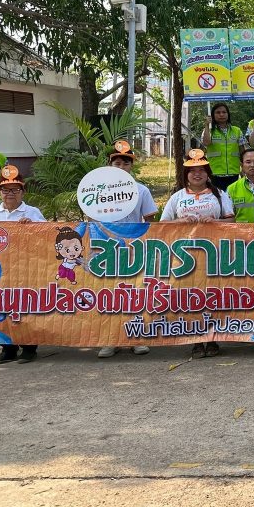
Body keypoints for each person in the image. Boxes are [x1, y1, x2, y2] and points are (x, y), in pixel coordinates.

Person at [161, 150, 235, 359]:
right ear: (186, 175)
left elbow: (231, 221)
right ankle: (195, 340)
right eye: (192, 171)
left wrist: (215, 222)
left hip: (214, 255)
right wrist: (180, 222)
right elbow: (162, 224)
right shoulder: (177, 197)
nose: (197, 174)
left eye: (201, 170)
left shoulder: (219, 195)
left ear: (207, 173)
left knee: (212, 296)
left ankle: (212, 339)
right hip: (184, 257)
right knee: (189, 297)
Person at [97, 140, 157, 359]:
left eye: (126, 163)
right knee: (108, 294)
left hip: (133, 249)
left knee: (134, 292)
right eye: (117, 163)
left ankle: (136, 338)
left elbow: (150, 220)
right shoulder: (96, 190)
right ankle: (110, 340)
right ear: (110, 165)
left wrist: (140, 243)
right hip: (105, 249)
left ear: (132, 166)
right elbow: (91, 220)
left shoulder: (141, 191)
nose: (121, 167)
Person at [0, 166, 44, 364]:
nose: (10, 193)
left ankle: (29, 348)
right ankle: (7, 349)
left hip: (26, 269)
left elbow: (47, 237)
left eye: (15, 189)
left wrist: (33, 228)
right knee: (0, 307)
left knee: (25, 306)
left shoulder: (32, 212)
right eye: (5, 189)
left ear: (23, 191)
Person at [201, 102, 246, 190]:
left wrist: (244, 167)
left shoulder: (237, 131)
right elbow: (206, 143)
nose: (221, 114)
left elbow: (242, 151)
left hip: (233, 172)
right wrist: (206, 125)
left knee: (231, 197)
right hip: (215, 172)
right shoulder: (209, 130)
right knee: (217, 197)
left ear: (228, 114)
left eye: (224, 112)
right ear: (213, 115)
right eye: (218, 112)